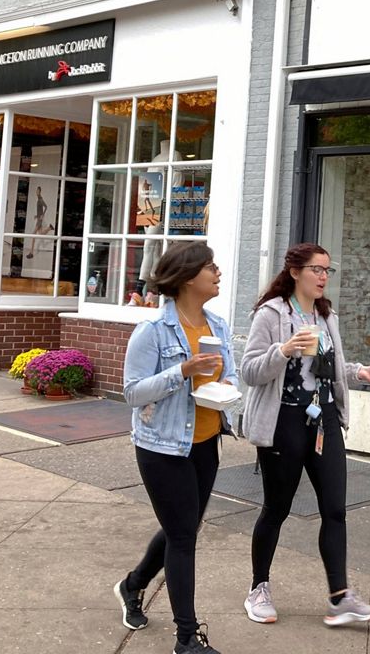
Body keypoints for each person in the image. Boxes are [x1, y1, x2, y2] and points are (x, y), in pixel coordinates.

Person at [239, 243, 370, 628]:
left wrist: (360, 373)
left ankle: (340, 598)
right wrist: (284, 350)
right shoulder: (271, 314)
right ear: (294, 272)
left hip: (324, 422)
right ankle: (259, 588)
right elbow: (250, 371)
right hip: (284, 424)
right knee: (277, 509)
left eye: (327, 270)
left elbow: (333, 366)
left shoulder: (325, 315)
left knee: (335, 509)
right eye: (316, 269)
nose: (323, 277)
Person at [116, 242, 235, 654]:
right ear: (187, 277)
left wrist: (228, 391)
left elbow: (230, 377)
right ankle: (187, 638)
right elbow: (131, 392)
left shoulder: (217, 326)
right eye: (210, 268)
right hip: (162, 447)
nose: (218, 273)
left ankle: (132, 585)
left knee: (180, 528)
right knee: (184, 537)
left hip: (205, 442)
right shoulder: (152, 331)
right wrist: (182, 371)